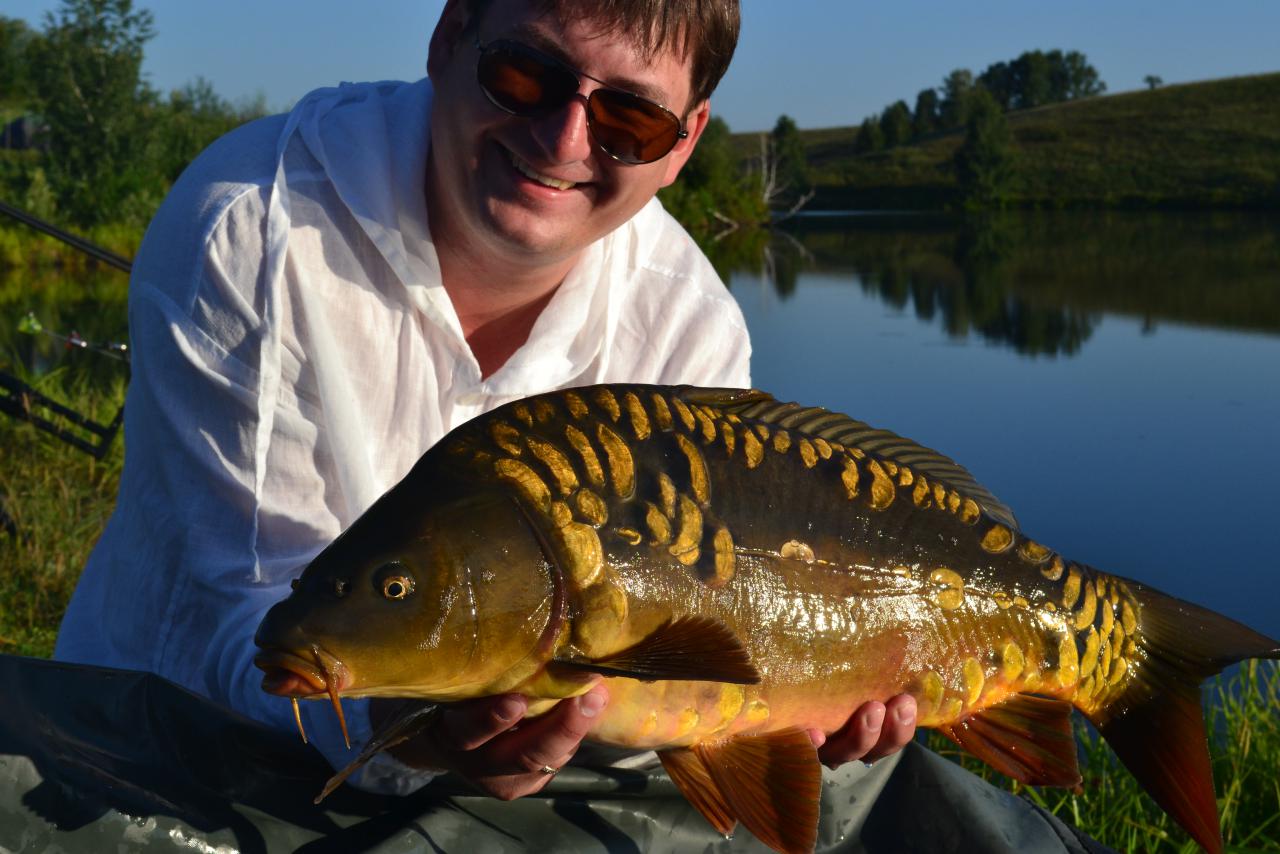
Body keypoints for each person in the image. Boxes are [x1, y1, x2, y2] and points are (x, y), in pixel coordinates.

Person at [54, 0, 917, 802]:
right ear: (448, 35)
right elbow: (231, 626)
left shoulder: (688, 326)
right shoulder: (251, 227)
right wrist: (410, 734)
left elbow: (691, 668)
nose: (564, 138)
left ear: (683, 144)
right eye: (525, 75)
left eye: (630, 118)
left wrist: (798, 701)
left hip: (506, 779)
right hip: (158, 758)